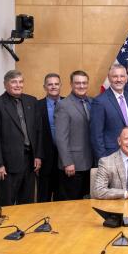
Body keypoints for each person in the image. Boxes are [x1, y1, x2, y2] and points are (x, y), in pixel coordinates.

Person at [0, 70, 42, 206]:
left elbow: (38, 131)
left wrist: (38, 156)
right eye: (14, 82)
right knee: (8, 205)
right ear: (5, 84)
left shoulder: (31, 101)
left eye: (20, 82)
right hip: (7, 166)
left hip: (30, 162)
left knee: (27, 204)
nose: (18, 85)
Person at [55, 71, 94, 200]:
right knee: (71, 204)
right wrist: (67, 162)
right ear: (71, 84)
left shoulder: (93, 102)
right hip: (73, 165)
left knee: (87, 202)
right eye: (77, 83)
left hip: (91, 163)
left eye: (84, 83)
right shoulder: (63, 105)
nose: (81, 86)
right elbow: (61, 137)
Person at [90, 64, 128, 161]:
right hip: (109, 155)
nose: (119, 79)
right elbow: (96, 135)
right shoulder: (100, 101)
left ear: (126, 79)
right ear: (109, 78)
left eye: (122, 76)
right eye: (115, 76)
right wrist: (103, 159)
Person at [37, 73, 63, 202]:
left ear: (61, 86)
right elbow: (34, 134)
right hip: (45, 160)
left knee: (63, 200)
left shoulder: (69, 103)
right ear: (44, 87)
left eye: (56, 84)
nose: (53, 87)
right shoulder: (36, 106)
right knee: (43, 199)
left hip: (65, 160)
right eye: (50, 84)